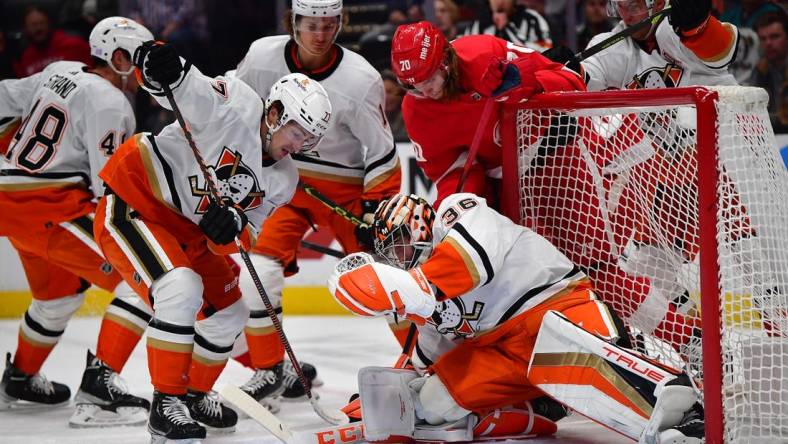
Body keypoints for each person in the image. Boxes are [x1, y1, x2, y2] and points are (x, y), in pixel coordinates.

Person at [92, 40, 333, 441]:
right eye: (296, 131)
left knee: (231, 315)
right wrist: (163, 64)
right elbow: (186, 88)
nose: (299, 145)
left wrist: (234, 223)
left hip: (186, 233)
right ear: (274, 113)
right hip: (137, 200)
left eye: (309, 139)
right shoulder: (235, 102)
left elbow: (247, 231)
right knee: (180, 287)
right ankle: (165, 404)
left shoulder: (285, 179)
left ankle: (192, 393)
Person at [328, 193, 705, 443]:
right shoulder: (422, 291)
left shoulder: (459, 214)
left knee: (592, 376)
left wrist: (408, 289)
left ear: (421, 227)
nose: (398, 255)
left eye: (401, 243)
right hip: (501, 351)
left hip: (554, 310)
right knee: (429, 404)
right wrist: (385, 393)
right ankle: (536, 405)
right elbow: (428, 354)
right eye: (389, 252)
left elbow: (470, 263)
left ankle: (683, 409)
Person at [228, 0, 402, 408]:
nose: (320, 35)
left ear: (340, 24)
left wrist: (375, 212)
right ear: (294, 23)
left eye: (329, 25)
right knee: (261, 270)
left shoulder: (360, 79)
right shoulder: (261, 57)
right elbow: (235, 106)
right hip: (281, 179)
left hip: (345, 190)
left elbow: (382, 152)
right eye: (311, 25)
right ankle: (268, 371)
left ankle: (427, 364)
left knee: (390, 278)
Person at [0, 17, 153, 427]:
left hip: (12, 202)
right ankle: (99, 392)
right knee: (145, 280)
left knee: (58, 298)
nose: (145, 71)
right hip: (52, 206)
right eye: (140, 59)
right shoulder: (112, 103)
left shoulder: (58, 70)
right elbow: (111, 191)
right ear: (119, 58)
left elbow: (3, 98)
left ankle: (20, 378)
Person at [391, 20, 584, 209]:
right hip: (505, 187)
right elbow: (451, 172)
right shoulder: (415, 109)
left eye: (430, 79)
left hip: (561, 161)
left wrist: (524, 80)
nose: (425, 92)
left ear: (445, 62)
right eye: (414, 86)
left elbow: (572, 82)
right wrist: (454, 209)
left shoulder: (484, 53)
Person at [13, 6, 93, 78]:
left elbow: (95, 71)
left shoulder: (74, 45)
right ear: (25, 28)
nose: (38, 28)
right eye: (34, 25)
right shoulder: (24, 58)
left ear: (49, 24)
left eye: (42, 23)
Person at [748, 11, 787, 133]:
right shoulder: (760, 69)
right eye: (763, 39)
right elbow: (752, 111)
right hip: (770, 137)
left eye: (775, 36)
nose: (768, 43)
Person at [462, 0, 552, 50]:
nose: (500, 2)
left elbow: (545, 51)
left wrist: (508, 28)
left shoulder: (532, 19)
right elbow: (466, 52)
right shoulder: (478, 24)